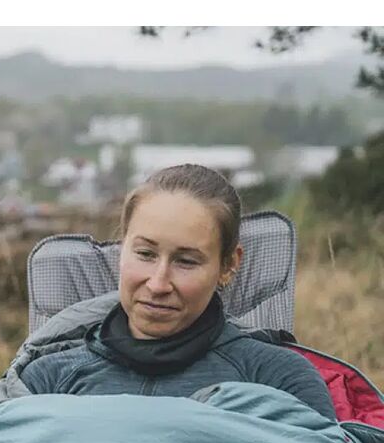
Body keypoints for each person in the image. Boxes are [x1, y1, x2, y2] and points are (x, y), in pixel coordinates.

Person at [20, 164, 336, 419]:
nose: (158, 284)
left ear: (228, 265)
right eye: (145, 254)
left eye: (186, 261)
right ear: (122, 250)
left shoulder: (279, 379)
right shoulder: (45, 381)